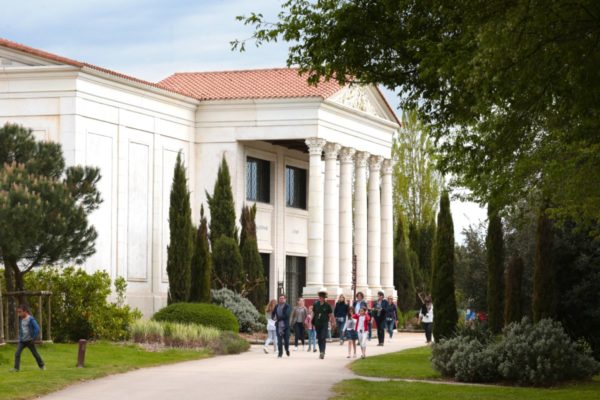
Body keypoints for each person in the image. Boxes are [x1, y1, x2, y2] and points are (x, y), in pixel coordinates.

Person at [11, 304, 45, 372]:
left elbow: (37, 328)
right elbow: (22, 329)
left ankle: (42, 366)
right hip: (22, 341)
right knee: (17, 353)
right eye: (18, 312)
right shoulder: (22, 319)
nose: (19, 314)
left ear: (25, 311)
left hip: (30, 341)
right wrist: (20, 336)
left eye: (20, 312)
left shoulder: (31, 319)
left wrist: (34, 338)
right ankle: (16, 368)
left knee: (35, 353)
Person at [312, 291, 334, 359]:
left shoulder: (327, 305)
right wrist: (311, 321)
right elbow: (313, 313)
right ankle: (321, 351)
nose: (320, 298)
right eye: (320, 297)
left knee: (323, 337)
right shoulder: (316, 304)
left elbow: (330, 314)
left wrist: (333, 322)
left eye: (322, 297)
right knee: (319, 338)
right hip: (317, 323)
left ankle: (322, 352)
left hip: (324, 323)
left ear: (324, 298)